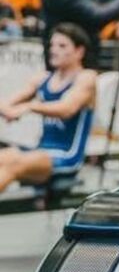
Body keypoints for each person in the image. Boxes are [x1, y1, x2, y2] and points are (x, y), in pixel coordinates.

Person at [0, 23, 95, 192]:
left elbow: (67, 109)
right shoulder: (43, 78)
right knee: (5, 157)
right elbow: (9, 105)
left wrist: (30, 107)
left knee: (14, 162)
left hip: (66, 156)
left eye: (62, 46)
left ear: (79, 51)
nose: (54, 50)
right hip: (41, 151)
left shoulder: (86, 78)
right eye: (52, 45)